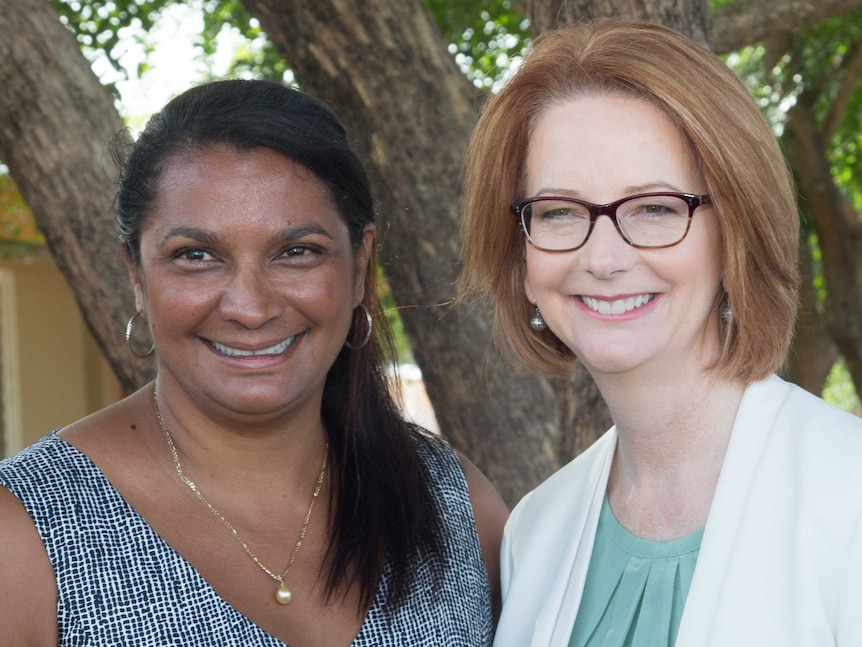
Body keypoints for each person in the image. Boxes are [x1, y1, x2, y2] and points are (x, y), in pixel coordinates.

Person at [0, 79, 508, 646]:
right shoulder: (24, 533)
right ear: (135, 275)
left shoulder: (453, 505)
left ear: (359, 265)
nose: (250, 307)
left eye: (297, 252)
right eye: (196, 256)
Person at [460, 19, 862, 647]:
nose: (604, 258)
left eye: (654, 208)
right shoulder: (535, 533)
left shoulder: (851, 496)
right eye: (560, 212)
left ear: (737, 234)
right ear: (522, 261)